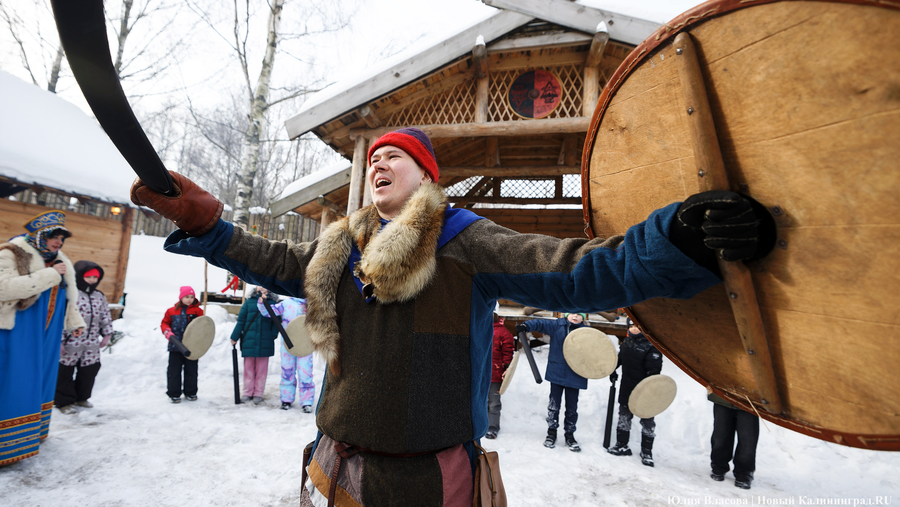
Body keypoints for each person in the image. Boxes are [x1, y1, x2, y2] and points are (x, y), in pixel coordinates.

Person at [130, 126, 774, 505]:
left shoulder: (466, 241)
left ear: (428, 177)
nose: (379, 163)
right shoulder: (339, 248)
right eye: (374, 157)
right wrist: (210, 226)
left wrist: (680, 238)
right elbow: (268, 257)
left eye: (396, 158)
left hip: (430, 483)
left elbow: (582, 269)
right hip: (335, 464)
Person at [0, 210, 86, 466]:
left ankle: (30, 436)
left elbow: (67, 299)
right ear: (38, 236)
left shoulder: (61, 260)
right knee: (16, 381)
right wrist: (50, 275)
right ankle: (6, 445)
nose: (59, 242)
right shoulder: (11, 253)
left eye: (62, 238)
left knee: (41, 380)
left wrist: (74, 322)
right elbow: (3, 288)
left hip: (48, 334)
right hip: (18, 330)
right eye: (53, 236)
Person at [516, 313, 589, 451]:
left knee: (572, 408)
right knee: (554, 405)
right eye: (572, 313)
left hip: (576, 374)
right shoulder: (557, 326)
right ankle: (551, 432)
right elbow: (541, 323)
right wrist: (526, 326)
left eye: (579, 314)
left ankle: (570, 434)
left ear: (584, 318)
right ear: (566, 314)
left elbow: (596, 351)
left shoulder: (587, 333)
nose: (575, 316)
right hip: (557, 372)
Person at [56, 261, 114, 413]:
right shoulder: (70, 294)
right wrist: (60, 341)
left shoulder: (99, 296)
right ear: (79, 276)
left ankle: (82, 398)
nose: (92, 280)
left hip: (91, 343)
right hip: (71, 342)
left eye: (95, 277)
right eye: (89, 277)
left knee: (89, 371)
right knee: (64, 373)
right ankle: (64, 402)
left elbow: (105, 315)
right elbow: (61, 318)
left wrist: (107, 333)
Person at [607, 318, 663, 466]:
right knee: (624, 417)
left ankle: (647, 452)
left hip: (645, 391)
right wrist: (612, 369)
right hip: (627, 387)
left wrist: (650, 384)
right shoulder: (627, 343)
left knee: (647, 420)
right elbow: (619, 359)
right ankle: (622, 445)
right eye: (631, 326)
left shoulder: (652, 346)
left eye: (638, 326)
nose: (634, 329)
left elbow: (654, 371)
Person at [260, 296, 316, 412]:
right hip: (287, 345)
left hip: (305, 344)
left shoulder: (312, 303)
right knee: (287, 371)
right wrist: (262, 303)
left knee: (305, 373)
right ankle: (286, 399)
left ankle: (306, 402)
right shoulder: (286, 303)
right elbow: (269, 312)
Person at [230, 286, 280, 404]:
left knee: (262, 370)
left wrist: (272, 335)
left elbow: (276, 322)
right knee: (248, 370)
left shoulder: (273, 303)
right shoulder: (249, 303)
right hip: (249, 341)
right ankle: (247, 391)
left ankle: (258, 392)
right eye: (260, 285)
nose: (263, 287)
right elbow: (241, 321)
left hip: (265, 342)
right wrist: (234, 336)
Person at [160, 286, 203, 403]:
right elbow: (164, 323)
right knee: (174, 371)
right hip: (176, 346)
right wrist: (167, 332)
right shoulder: (171, 311)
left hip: (192, 347)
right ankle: (174, 393)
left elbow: (203, 326)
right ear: (181, 298)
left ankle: (191, 392)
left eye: (192, 297)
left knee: (191, 371)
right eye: (187, 297)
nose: (189, 299)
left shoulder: (197, 311)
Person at [709, 391, 760, 489]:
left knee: (747, 439)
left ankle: (744, 473)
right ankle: (718, 466)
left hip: (749, 399)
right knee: (720, 434)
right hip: (722, 394)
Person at [485, 310, 515, 439]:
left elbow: (508, 353)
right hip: (480, 374)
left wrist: (507, 369)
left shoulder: (503, 333)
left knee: (493, 402)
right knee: (480, 400)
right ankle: (480, 424)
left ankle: (492, 427)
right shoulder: (479, 329)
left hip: (495, 374)